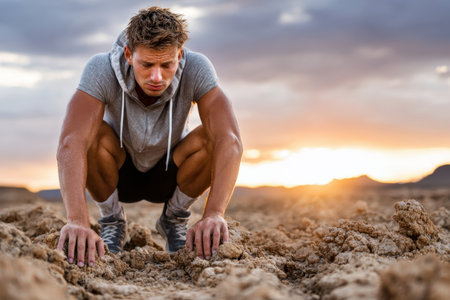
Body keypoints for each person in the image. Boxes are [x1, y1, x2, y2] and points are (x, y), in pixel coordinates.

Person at [56, 6, 242, 267]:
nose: (157, 77)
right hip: (117, 173)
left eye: (167, 65)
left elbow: (230, 140)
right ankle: (112, 220)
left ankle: (174, 219)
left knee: (213, 138)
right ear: (129, 55)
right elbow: (70, 142)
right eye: (147, 64)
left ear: (179, 55)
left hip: (169, 173)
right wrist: (76, 220)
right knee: (91, 134)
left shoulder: (197, 68)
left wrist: (214, 214)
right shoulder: (100, 68)